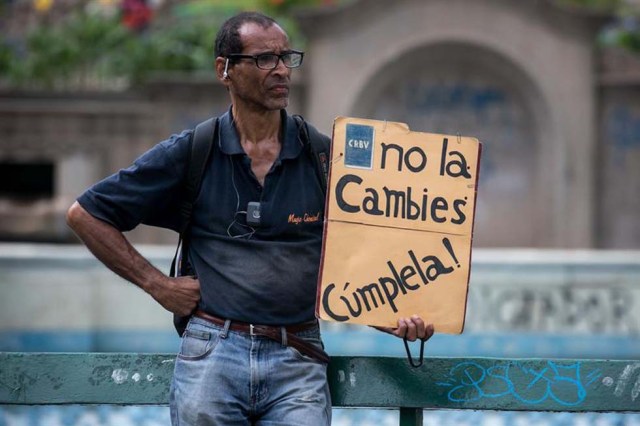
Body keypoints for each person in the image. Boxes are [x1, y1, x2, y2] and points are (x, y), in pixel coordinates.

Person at [66, 11, 434, 425]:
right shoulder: (192, 152)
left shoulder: (325, 158)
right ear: (224, 69)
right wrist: (158, 285)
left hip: (298, 355)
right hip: (212, 351)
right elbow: (86, 214)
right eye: (264, 59)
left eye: (286, 57)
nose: (280, 70)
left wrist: (395, 316)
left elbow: (358, 259)